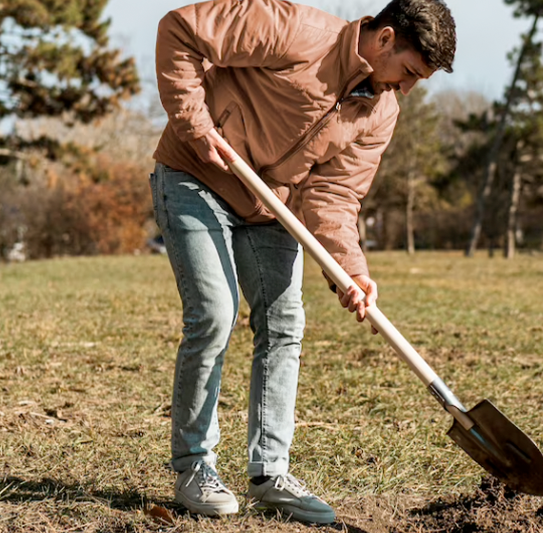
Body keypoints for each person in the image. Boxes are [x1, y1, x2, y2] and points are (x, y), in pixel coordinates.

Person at [152, 0, 456, 524]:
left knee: (284, 323)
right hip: (195, 175)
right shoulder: (292, 30)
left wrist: (350, 271)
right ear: (385, 38)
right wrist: (194, 122)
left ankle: (270, 474)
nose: (406, 89)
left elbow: (336, 195)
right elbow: (180, 30)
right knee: (215, 313)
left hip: (270, 206)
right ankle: (193, 467)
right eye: (408, 72)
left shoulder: (380, 111)